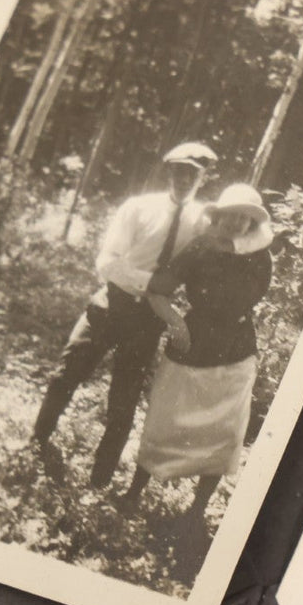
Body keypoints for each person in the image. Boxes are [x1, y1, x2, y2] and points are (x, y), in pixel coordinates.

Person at [32, 141, 218, 487]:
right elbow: (107, 262)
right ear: (168, 172)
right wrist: (150, 283)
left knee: (123, 402)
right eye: (179, 171)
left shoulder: (203, 221)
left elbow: (222, 250)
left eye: (192, 174)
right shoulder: (138, 208)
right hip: (112, 304)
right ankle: (35, 446)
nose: (184, 179)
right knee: (65, 375)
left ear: (203, 178)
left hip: (148, 320)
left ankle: (99, 482)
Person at [121, 183, 275, 525]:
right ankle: (133, 493)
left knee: (223, 433)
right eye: (230, 214)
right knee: (164, 421)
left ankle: (196, 511)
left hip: (235, 350)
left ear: (252, 223)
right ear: (217, 215)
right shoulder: (199, 248)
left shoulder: (261, 258)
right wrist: (176, 323)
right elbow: (158, 290)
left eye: (244, 217)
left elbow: (247, 294)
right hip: (192, 344)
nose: (235, 222)